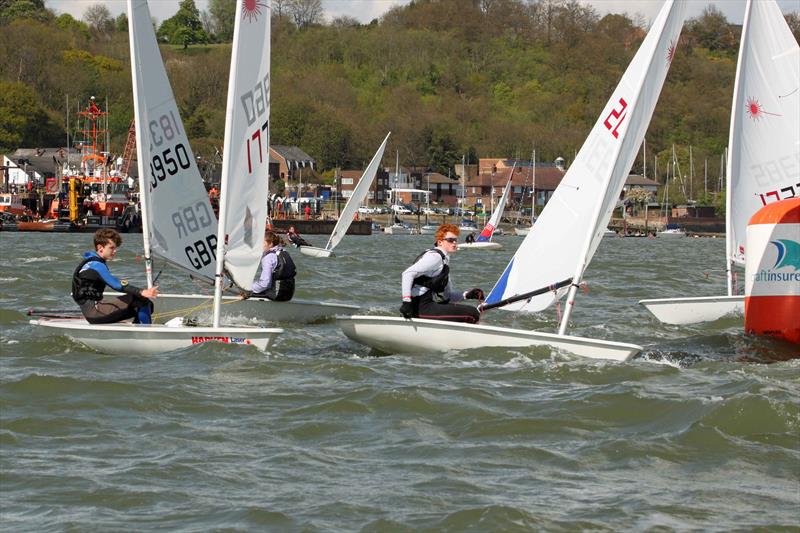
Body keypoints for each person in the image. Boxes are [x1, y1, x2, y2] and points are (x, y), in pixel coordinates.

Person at [400, 223, 483, 323]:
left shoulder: (444, 261)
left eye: (456, 240)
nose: (454, 243)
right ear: (440, 242)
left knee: (470, 310)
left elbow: (448, 296)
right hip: (418, 307)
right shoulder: (435, 257)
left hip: (428, 304)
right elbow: (407, 274)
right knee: (473, 313)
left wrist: (467, 295)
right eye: (450, 240)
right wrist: (406, 302)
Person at [72, 228, 158, 324]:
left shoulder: (89, 262)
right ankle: (145, 334)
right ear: (100, 248)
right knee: (142, 300)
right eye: (111, 248)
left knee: (146, 305)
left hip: (91, 311)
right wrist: (141, 291)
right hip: (95, 312)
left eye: (115, 248)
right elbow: (116, 285)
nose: (115, 251)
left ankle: (136, 331)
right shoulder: (97, 265)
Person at [245, 230, 296, 301]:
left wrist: (246, 288)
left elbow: (265, 284)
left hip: (276, 295)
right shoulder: (283, 252)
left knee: (245, 292)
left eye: (262, 243)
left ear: (270, 244)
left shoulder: (268, 258)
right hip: (288, 294)